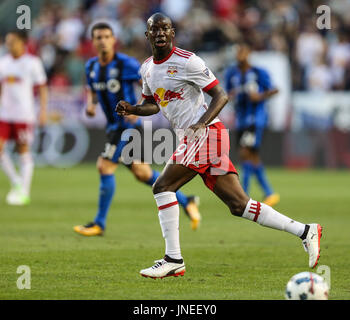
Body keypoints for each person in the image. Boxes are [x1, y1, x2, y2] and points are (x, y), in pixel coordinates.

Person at [116, 13, 322, 279]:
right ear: (147, 35)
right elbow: (153, 103)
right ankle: (306, 231)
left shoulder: (189, 61)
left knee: (163, 186)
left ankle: (173, 259)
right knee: (239, 205)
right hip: (194, 137)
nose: (160, 33)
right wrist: (133, 108)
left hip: (207, 133)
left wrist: (202, 123)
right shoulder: (147, 68)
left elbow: (220, 95)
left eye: (165, 28)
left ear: (173, 33)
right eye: (154, 29)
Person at [73, 22, 201, 236]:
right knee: (142, 173)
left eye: (106, 36)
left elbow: (150, 85)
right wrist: (91, 104)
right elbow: (92, 89)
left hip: (127, 126)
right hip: (113, 126)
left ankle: (99, 223)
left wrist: (137, 108)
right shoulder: (92, 67)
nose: (103, 40)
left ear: (113, 39)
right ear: (93, 41)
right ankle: (187, 201)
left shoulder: (127, 64)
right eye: (98, 37)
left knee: (104, 166)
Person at [224, 42, 280, 207]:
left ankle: (244, 194)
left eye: (242, 51)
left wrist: (260, 96)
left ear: (248, 53)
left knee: (245, 152)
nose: (239, 55)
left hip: (255, 119)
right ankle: (269, 193)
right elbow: (226, 93)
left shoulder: (257, 72)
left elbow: (274, 90)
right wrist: (232, 95)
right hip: (240, 119)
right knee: (252, 156)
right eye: (237, 52)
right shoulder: (231, 73)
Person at [0, 30, 48, 205]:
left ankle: (24, 191)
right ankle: (16, 181)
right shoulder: (3, 63)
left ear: (22, 42)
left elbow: (42, 88)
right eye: (7, 41)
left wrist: (43, 110)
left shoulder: (32, 63)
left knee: (23, 150)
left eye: (12, 41)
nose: (9, 44)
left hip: (24, 114)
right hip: (4, 113)